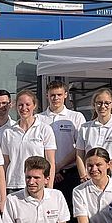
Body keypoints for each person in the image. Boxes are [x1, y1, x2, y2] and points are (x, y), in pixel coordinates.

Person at [40, 81, 86, 210]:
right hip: (46, 175)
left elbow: (80, 147)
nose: (56, 98)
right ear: (47, 95)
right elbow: (38, 148)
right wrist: (51, 170)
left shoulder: (76, 117)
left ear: (66, 95)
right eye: (52, 95)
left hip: (70, 174)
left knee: (71, 213)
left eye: (59, 94)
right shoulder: (39, 118)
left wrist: (58, 167)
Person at [1, 89, 57, 193]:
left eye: (28, 104)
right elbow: (5, 163)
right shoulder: (8, 132)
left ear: (34, 105)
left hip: (37, 184)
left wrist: (49, 188)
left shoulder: (44, 129)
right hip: (13, 185)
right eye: (20, 105)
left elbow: (51, 162)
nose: (24, 108)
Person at [75, 88, 112, 186]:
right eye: (99, 103)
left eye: (107, 103)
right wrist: (84, 175)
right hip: (90, 182)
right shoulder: (85, 127)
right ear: (94, 104)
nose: (103, 106)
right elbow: (79, 155)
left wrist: (102, 173)